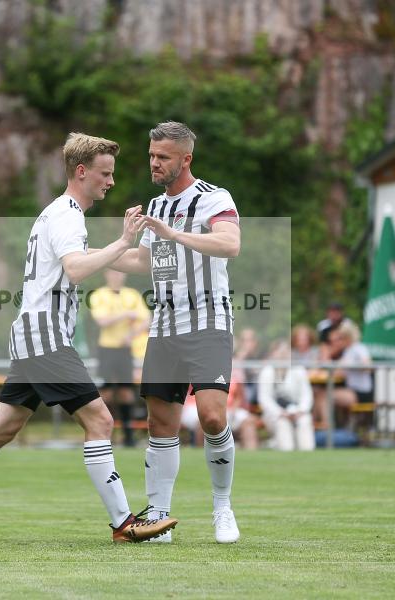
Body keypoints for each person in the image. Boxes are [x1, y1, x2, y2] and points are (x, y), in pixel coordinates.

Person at [0, 133, 176, 544]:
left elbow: (89, 262)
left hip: (33, 334)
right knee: (100, 420)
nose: (111, 182)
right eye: (105, 173)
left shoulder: (58, 214)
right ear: (82, 171)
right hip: (45, 336)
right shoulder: (66, 216)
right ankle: (124, 523)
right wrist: (123, 241)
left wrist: (140, 252)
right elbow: (76, 269)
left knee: (2, 427)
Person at [108, 121, 242, 544]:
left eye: (163, 156)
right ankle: (159, 517)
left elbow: (230, 244)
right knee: (160, 423)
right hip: (164, 326)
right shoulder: (155, 205)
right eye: (151, 155)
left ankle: (222, 508)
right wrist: (92, 253)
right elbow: (144, 262)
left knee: (212, 416)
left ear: (186, 159)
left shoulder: (213, 197)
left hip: (208, 322)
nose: (154, 162)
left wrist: (174, 234)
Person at [90, 269, 150, 447]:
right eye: (113, 272)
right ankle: (103, 434)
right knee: (106, 393)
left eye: (120, 272)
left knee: (126, 393)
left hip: (125, 350)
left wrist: (131, 335)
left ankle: (128, 437)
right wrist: (126, 314)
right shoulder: (99, 294)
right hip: (106, 349)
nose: (117, 275)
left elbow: (146, 319)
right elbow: (102, 321)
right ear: (107, 274)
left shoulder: (132, 295)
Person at [257, 341, 315, 451]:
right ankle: (286, 453)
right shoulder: (267, 372)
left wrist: (300, 411)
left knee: (305, 421)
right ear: (273, 354)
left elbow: (307, 395)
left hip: (297, 411)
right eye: (280, 352)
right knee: (282, 424)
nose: (283, 355)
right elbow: (264, 398)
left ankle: (307, 454)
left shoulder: (299, 370)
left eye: (286, 352)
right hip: (275, 415)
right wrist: (280, 412)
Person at [314, 321, 373, 427]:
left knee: (325, 395)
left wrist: (354, 366)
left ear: (347, 337)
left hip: (361, 393)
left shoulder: (359, 348)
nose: (338, 341)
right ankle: (318, 426)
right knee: (319, 393)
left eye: (340, 338)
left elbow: (368, 367)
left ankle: (327, 428)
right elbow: (338, 371)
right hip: (351, 390)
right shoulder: (348, 351)